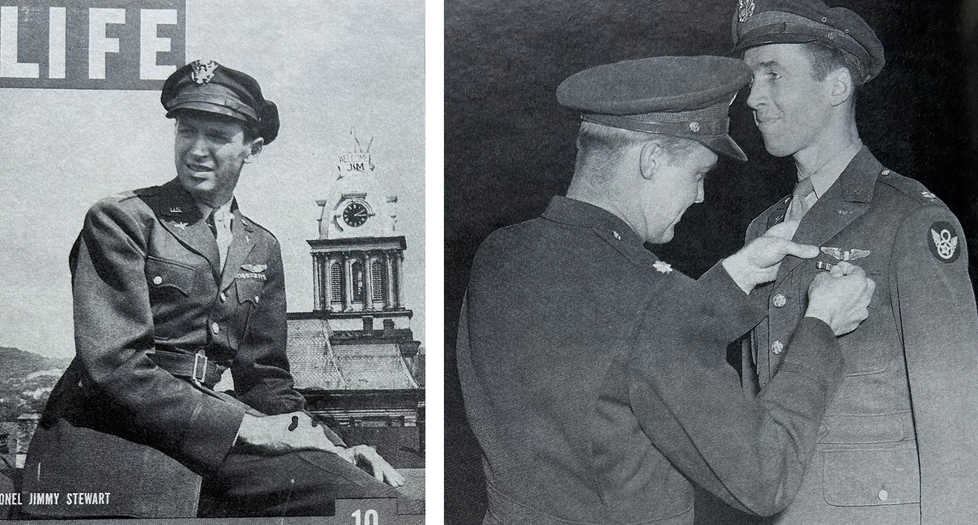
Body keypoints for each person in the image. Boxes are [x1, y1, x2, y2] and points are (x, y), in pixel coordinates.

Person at [456, 55, 876, 525]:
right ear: (651, 160)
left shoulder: (500, 252)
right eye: (698, 174)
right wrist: (820, 327)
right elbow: (766, 478)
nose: (699, 197)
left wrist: (733, 279)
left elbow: (600, 347)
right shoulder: (653, 304)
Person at [21, 60, 403, 519]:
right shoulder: (122, 220)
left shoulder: (259, 245)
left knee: (371, 503)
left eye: (217, 137)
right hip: (114, 440)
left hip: (214, 439)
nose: (196, 151)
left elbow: (265, 379)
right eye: (186, 132)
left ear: (252, 148)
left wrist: (334, 445)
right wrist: (247, 428)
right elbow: (116, 366)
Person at [731, 1, 978, 523]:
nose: (753, 98)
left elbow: (957, 428)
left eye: (773, 75)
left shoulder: (909, 222)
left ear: (837, 87)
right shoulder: (763, 231)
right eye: (751, 79)